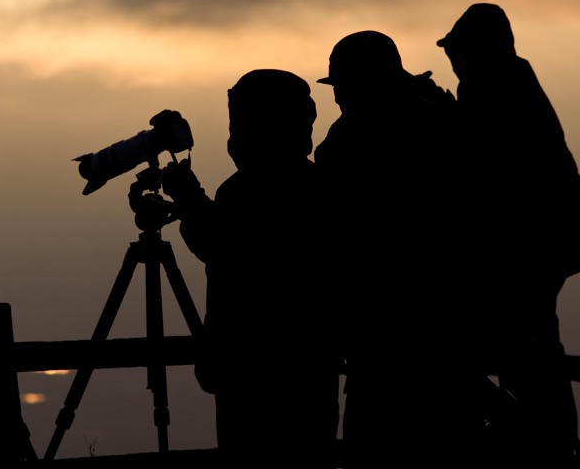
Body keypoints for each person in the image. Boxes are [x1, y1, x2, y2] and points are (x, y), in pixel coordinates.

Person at [313, 30, 484, 461]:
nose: (338, 98)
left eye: (343, 87)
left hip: (385, 340)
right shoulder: (444, 123)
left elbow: (339, 242)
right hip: (447, 333)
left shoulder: (348, 142)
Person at [436, 3, 580, 459]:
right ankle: (547, 440)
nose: (454, 59)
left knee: (522, 346)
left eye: (458, 51)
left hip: (528, 246)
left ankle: (544, 443)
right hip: (542, 244)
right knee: (530, 344)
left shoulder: (490, 85)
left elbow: (486, 158)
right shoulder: (508, 80)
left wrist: (443, 114)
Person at [161, 69, 341, 467]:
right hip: (310, 366)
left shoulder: (248, 189)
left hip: (250, 368)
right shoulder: (316, 183)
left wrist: (189, 197)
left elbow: (224, 249)